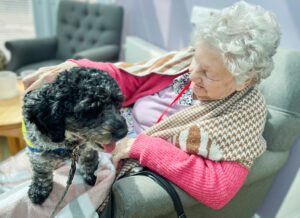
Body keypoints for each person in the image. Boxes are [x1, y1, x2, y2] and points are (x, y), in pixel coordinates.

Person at [23, 1, 280, 210]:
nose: (191, 76)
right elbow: (129, 78)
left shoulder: (242, 115)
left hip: (122, 156)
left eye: (208, 74)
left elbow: (218, 189)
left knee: (29, 203)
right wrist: (77, 67)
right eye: (196, 62)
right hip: (101, 138)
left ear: (244, 80)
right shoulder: (183, 63)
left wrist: (141, 146)